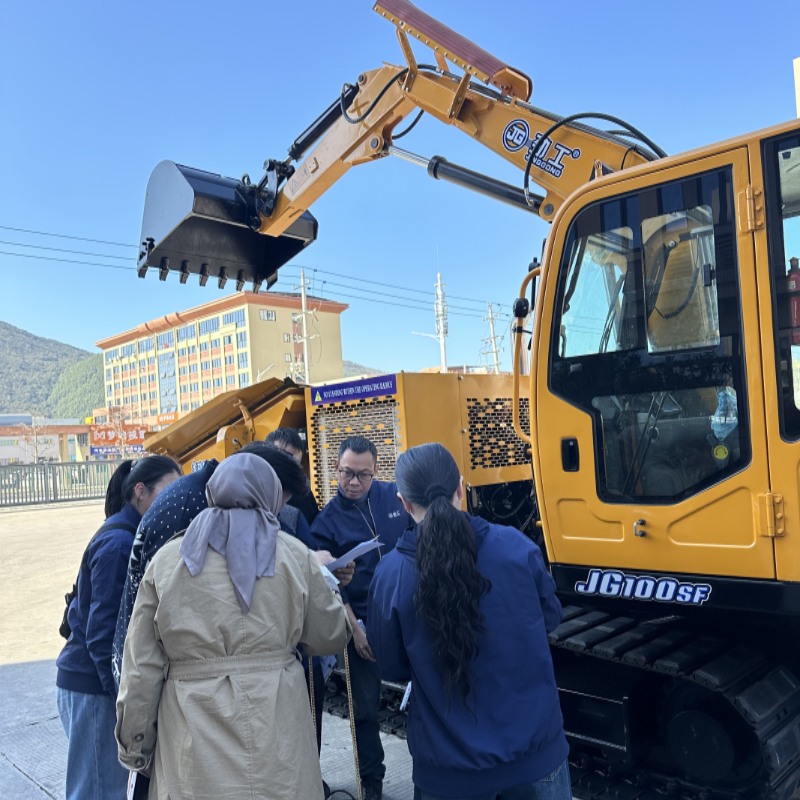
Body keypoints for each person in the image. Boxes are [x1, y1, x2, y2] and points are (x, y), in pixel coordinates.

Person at [116, 453, 351, 800]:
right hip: (278, 740)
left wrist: (135, 748)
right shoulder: (294, 555)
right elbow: (331, 634)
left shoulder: (167, 561)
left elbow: (140, 668)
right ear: (271, 495)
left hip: (192, 742)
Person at [367, 442, 571, 800]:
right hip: (536, 758)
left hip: (449, 774)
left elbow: (391, 665)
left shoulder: (392, 574)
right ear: (461, 488)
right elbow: (549, 618)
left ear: (404, 503)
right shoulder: (516, 547)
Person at [56, 455, 181, 800]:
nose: (172, 500)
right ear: (140, 491)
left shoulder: (131, 536)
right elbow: (102, 635)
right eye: (167, 490)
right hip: (93, 690)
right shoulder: (119, 545)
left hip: (92, 686)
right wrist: (121, 699)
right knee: (98, 792)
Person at [311, 435, 410, 800]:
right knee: (365, 707)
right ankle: (371, 781)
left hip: (406, 614)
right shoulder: (326, 522)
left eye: (362, 475)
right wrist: (354, 629)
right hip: (361, 621)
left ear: (376, 470)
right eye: (346, 473)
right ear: (336, 468)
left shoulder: (394, 498)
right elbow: (330, 586)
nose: (353, 482)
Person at [265, 426, 320, 525]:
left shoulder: (303, 495)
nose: (289, 469)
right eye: (285, 459)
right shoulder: (253, 494)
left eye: (295, 464)